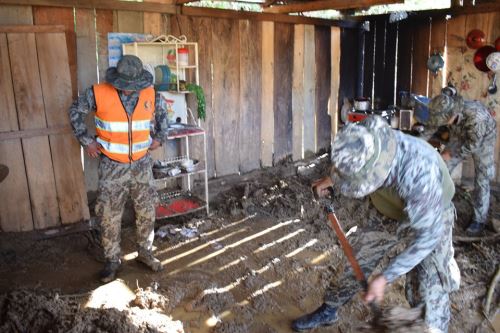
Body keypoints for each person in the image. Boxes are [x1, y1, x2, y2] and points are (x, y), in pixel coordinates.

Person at [292, 116, 460, 333]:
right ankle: (329, 310)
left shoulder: (419, 172)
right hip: (389, 207)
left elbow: (427, 239)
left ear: (377, 171)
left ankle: (432, 327)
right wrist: (333, 178)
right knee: (358, 258)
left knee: (428, 285)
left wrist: (385, 277)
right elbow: (351, 157)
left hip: (433, 214)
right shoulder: (366, 135)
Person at [68, 55, 169, 283]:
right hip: (112, 166)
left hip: (142, 165)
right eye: (123, 87)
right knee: (109, 215)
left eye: (132, 87)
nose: (127, 91)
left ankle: (145, 253)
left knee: (146, 211)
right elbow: (74, 112)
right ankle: (112, 260)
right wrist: (87, 141)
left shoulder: (151, 93)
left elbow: (163, 117)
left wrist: (160, 137)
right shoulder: (97, 93)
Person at [428, 93, 497, 235]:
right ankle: (431, 205)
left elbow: (472, 146)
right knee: (443, 166)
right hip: (461, 132)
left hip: (483, 139)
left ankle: (479, 220)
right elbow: (436, 130)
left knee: (482, 178)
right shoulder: (449, 111)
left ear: (452, 114)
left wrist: (451, 153)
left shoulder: (477, 118)